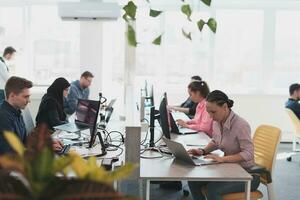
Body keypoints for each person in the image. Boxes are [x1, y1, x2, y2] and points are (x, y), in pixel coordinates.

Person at [188, 90, 260, 200]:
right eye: (209, 112)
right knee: (193, 181)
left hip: (247, 174)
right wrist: (202, 151)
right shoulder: (217, 122)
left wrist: (223, 159)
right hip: (229, 169)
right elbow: (216, 141)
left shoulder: (241, 125)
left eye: (213, 112)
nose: (211, 116)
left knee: (213, 189)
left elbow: (249, 153)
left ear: (225, 107)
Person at [0, 76, 63, 155]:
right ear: (12, 96)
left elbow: (24, 142)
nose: (29, 101)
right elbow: (11, 153)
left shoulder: (17, 112)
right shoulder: (3, 117)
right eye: (25, 97)